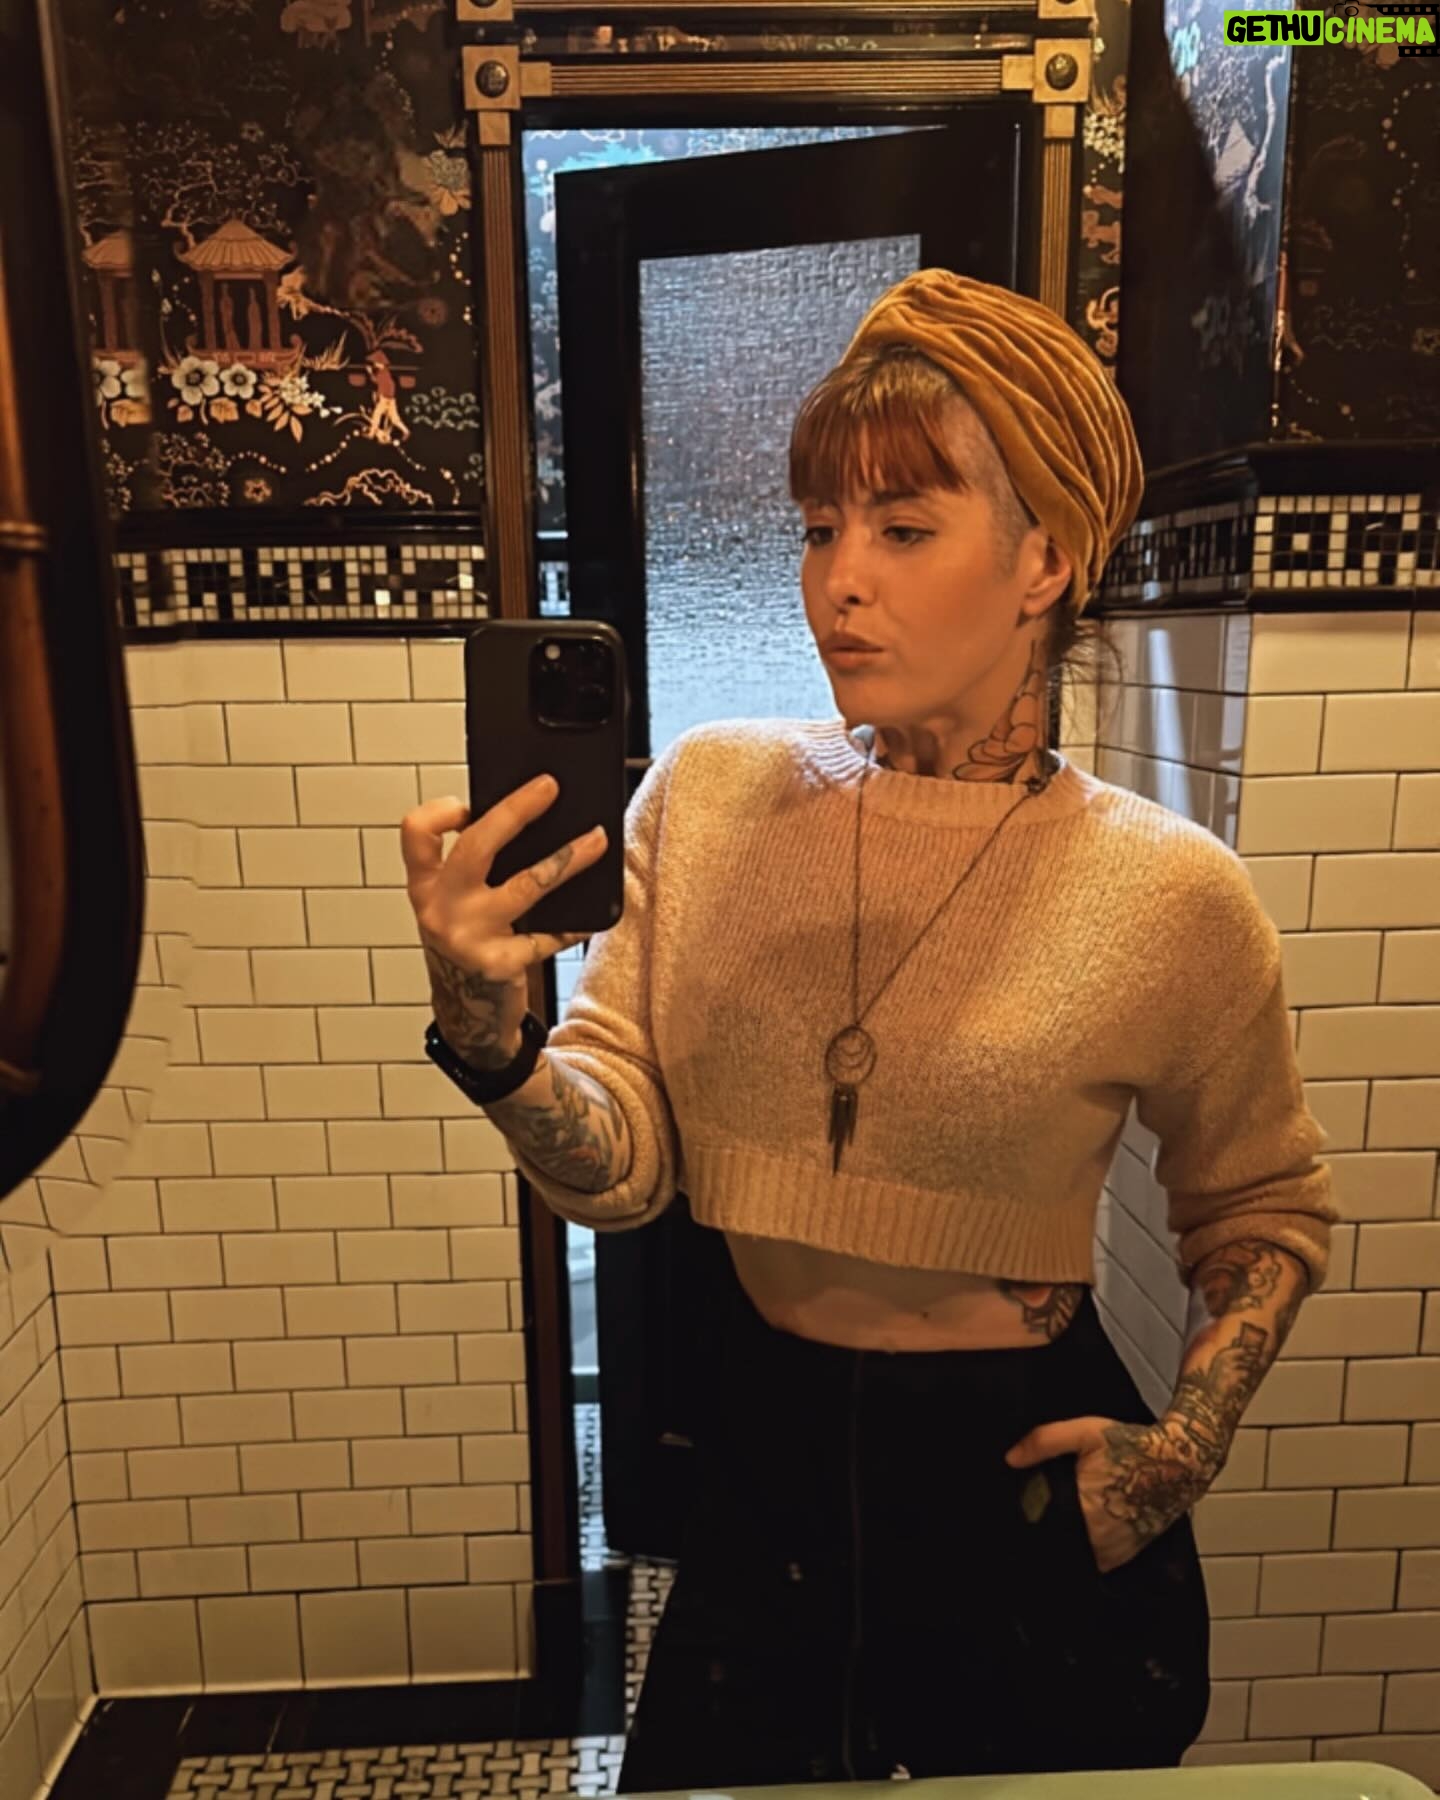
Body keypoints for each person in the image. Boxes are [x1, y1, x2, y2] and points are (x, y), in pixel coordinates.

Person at [400, 269, 1337, 1786]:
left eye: (903, 529)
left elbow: (1264, 1210)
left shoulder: (1169, 894)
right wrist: (494, 1033)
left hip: (1020, 1476)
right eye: (818, 527)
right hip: (761, 1460)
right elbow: (620, 1177)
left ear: (1045, 559)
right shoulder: (713, 795)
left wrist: (1178, 1452)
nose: (838, 581)